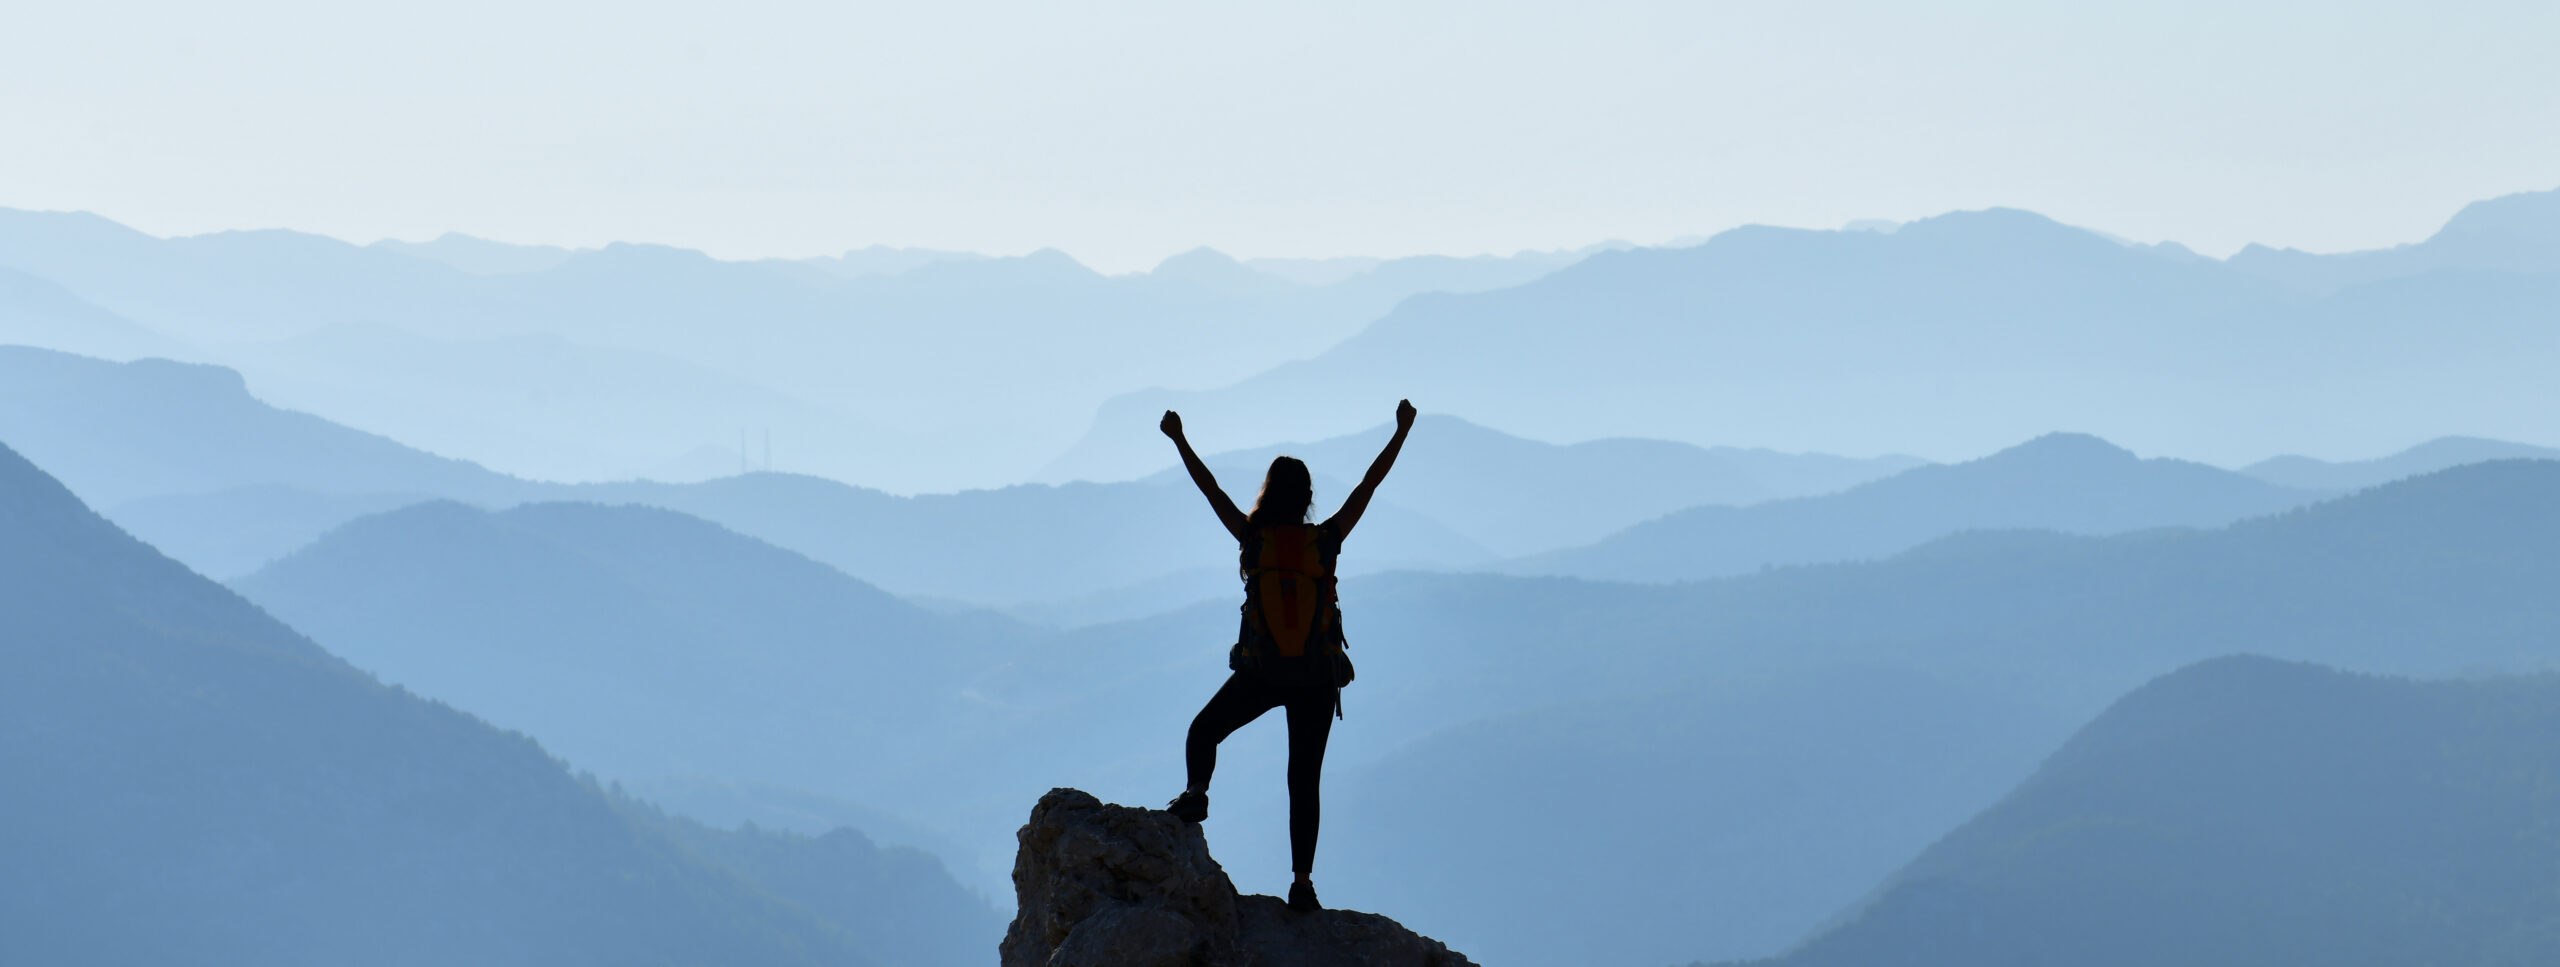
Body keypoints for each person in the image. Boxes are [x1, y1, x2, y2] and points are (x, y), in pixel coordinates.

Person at [1159, 399, 1416, 914]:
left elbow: (1209, 488)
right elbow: (1370, 484)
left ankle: (1196, 792)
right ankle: (1302, 883)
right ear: (1307, 499)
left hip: (1262, 672)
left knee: (1203, 730)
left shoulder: (1253, 538)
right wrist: (1401, 432)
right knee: (1304, 780)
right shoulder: (1326, 540)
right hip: (1317, 679)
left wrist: (1179, 440)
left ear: (1268, 493)